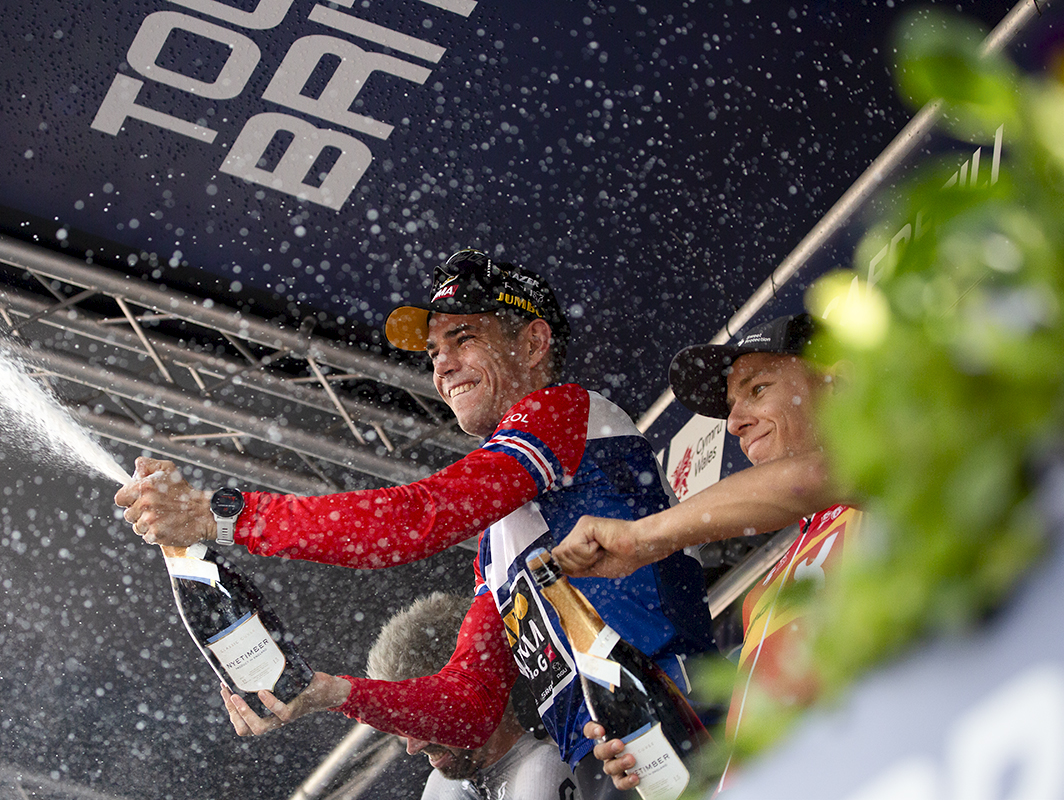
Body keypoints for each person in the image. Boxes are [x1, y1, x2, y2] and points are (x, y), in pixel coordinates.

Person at [115, 248, 714, 799]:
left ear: (533, 343)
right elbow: (470, 706)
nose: (442, 365)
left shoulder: (562, 410)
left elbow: (414, 521)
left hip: (671, 709)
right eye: (433, 352)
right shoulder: (497, 546)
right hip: (607, 754)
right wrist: (326, 691)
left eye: (463, 337)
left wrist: (218, 516)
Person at [552, 313, 861, 793]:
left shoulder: (890, 477)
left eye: (757, 389)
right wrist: (662, 753)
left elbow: (824, 475)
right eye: (732, 406)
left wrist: (644, 537)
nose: (735, 422)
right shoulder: (767, 591)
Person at [366, 592, 579, 800]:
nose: (412, 748)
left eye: (422, 720)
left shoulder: (541, 769)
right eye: (403, 725)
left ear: (474, 693)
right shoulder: (443, 786)